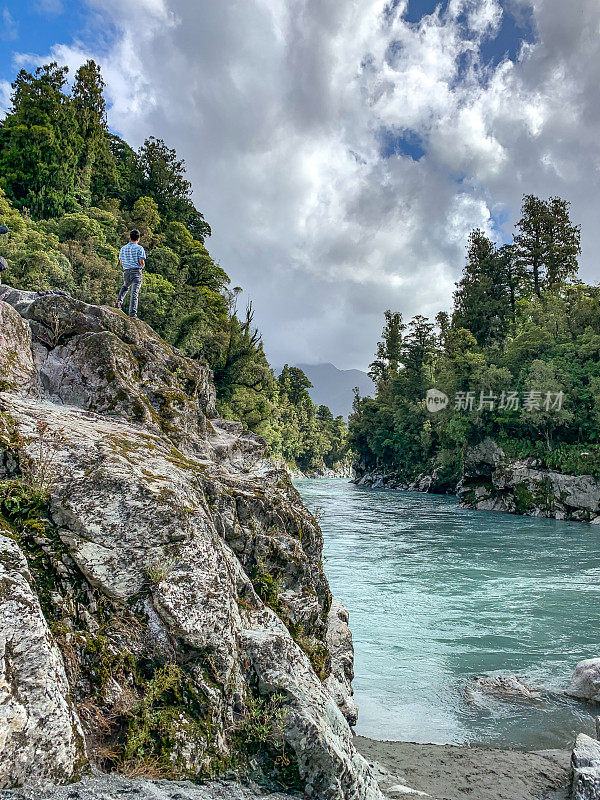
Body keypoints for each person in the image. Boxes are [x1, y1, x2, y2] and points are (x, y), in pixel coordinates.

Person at [115, 229, 146, 318]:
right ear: (138, 238)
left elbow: (121, 261)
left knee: (125, 286)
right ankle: (132, 314)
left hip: (126, 271)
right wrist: (142, 266)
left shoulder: (123, 248)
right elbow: (141, 261)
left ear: (130, 237)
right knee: (134, 293)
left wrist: (126, 267)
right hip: (136, 272)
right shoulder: (139, 248)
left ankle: (118, 303)